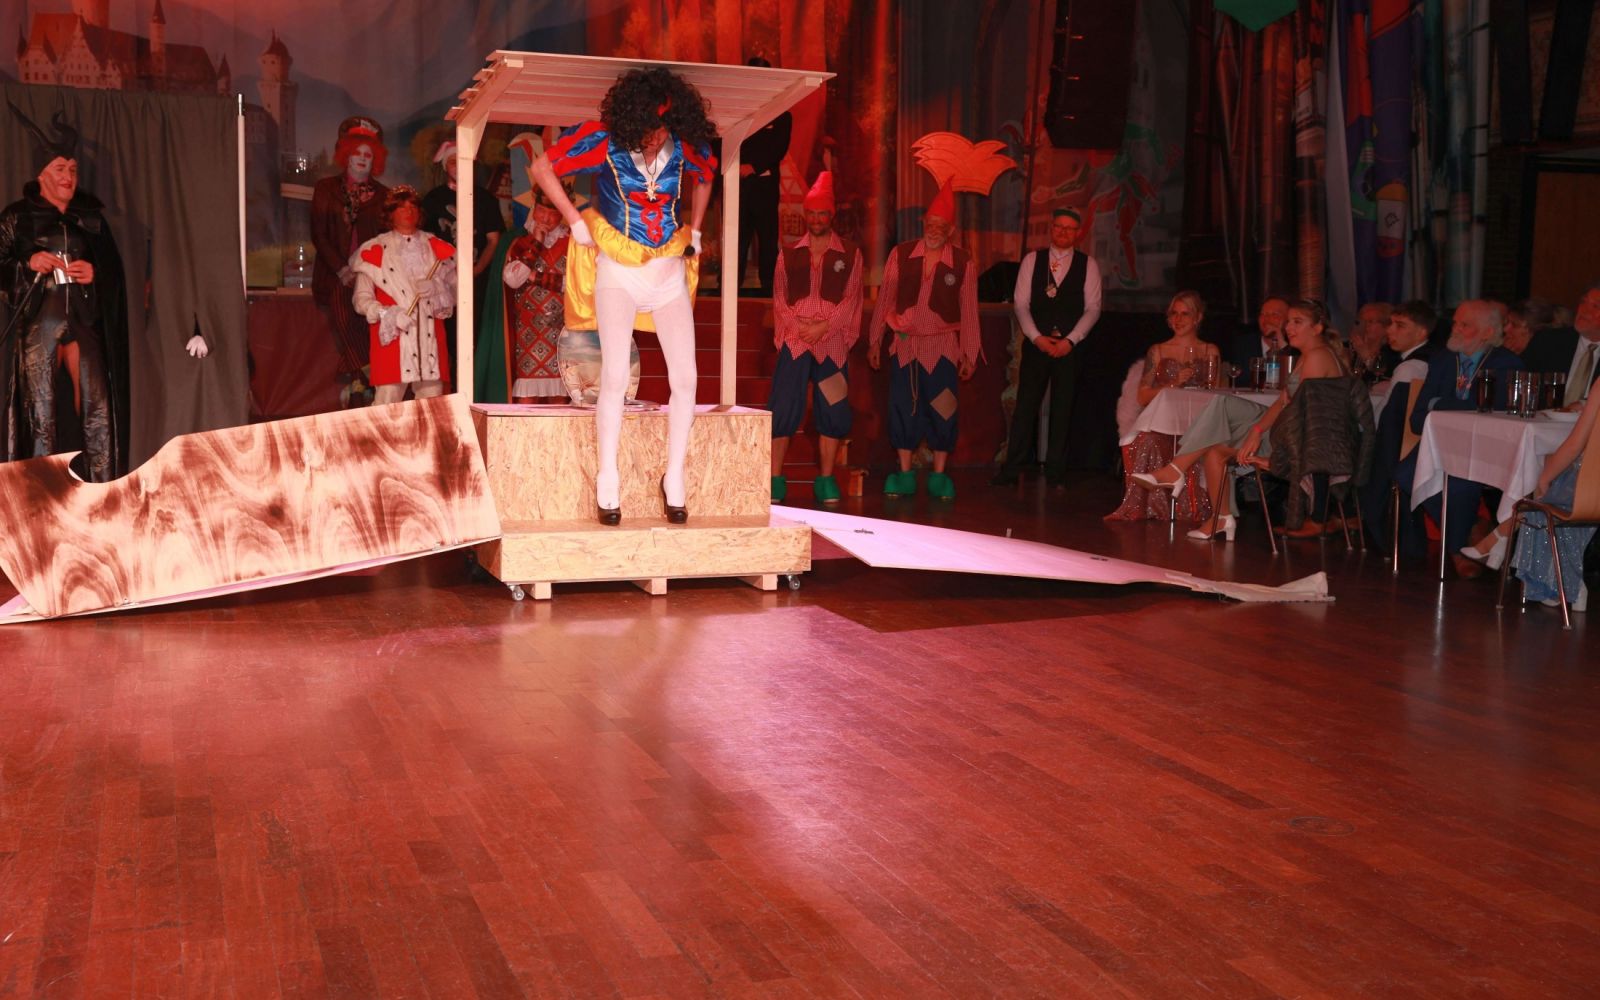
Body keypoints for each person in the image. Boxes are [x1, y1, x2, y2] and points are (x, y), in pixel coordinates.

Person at [528, 67, 717, 525]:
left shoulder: (682, 144)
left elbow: (708, 174)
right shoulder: (604, 141)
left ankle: (675, 477)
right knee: (614, 376)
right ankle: (607, 477)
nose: (656, 138)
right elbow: (541, 167)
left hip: (668, 273)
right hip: (618, 271)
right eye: (649, 129)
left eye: (663, 129)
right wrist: (574, 218)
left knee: (686, 378)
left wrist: (695, 228)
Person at [1134, 299, 1351, 541]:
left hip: (1298, 442)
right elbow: (1282, 402)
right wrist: (1256, 431)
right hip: (1288, 432)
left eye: (1297, 322)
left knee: (1221, 415)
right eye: (1288, 321)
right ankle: (1220, 517)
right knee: (1217, 437)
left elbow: (1300, 413)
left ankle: (1175, 470)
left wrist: (1261, 437)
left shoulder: (1317, 357)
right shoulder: (1310, 355)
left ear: (1317, 328)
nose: (1288, 327)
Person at [0, 103, 130, 482]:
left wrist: (95, 274)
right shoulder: (17, 218)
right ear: (42, 174)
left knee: (97, 406)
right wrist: (28, 263)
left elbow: (114, 272)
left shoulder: (91, 219)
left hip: (84, 323)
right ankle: (40, 490)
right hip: (39, 324)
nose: (68, 177)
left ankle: (101, 487)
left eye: (72, 170)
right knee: (39, 410)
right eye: (60, 169)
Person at [1393, 300, 1525, 576]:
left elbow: (1491, 410)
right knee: (1405, 475)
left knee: (1460, 483)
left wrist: (1440, 404)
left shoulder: (1506, 363)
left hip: (1485, 447)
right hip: (1440, 444)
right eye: (1455, 322)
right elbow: (1417, 419)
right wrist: (1459, 405)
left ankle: (1455, 549)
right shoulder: (1443, 360)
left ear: (1487, 333)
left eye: (1465, 325)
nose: (1455, 328)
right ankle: (1472, 526)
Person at [867, 180, 980, 500]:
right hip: (905, 345)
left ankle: (939, 476)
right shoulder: (901, 254)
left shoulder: (963, 262)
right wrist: (875, 339)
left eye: (941, 226)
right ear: (923, 224)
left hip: (942, 347)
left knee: (944, 408)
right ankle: (904, 473)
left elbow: (970, 311)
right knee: (902, 407)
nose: (934, 230)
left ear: (951, 230)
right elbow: (885, 299)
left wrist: (970, 353)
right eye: (930, 224)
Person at [768, 172, 864, 504]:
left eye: (823, 214)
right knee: (783, 408)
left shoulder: (850, 254)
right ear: (806, 214)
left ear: (831, 215)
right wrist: (799, 328)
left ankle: (825, 480)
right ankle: (775, 480)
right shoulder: (788, 253)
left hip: (832, 344)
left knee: (833, 410)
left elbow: (852, 298)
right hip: (796, 342)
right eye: (812, 213)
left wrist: (824, 327)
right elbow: (779, 297)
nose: (817, 219)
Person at [990, 207, 1103, 489]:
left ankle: (1055, 472)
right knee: (1025, 407)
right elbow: (1021, 304)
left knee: (1063, 408)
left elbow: (1093, 308)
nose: (1063, 232)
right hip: (1037, 344)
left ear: (1078, 233)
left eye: (1069, 228)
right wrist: (1036, 337)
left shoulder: (1088, 265)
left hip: (1069, 348)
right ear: (1051, 228)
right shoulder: (1032, 260)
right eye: (1058, 226)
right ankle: (1012, 470)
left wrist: (1071, 340)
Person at [1459, 384, 1598, 612]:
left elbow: (1575, 445)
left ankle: (1501, 539)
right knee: (1555, 475)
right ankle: (1501, 541)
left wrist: (1545, 477)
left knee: (1545, 481)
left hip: (1587, 496)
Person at [1105, 291, 1217, 521]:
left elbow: (1215, 394)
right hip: (1164, 422)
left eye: (1185, 314)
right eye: (1174, 313)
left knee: (1192, 443)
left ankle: (1191, 507)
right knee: (1147, 441)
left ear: (1198, 317)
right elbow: (1142, 397)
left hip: (1197, 424)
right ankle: (1149, 507)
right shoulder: (1157, 350)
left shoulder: (1209, 351)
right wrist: (1173, 384)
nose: (1178, 319)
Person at [350, 186, 456, 405]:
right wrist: (388, 314)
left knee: (432, 406)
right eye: (401, 207)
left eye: (413, 207)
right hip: (393, 343)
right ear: (390, 214)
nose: (409, 212)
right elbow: (361, 299)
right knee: (387, 405)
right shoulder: (374, 249)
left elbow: (457, 293)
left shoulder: (436, 247)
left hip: (430, 344)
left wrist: (437, 289)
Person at [311, 116, 388, 406]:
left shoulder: (384, 195)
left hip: (370, 275)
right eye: (357, 152)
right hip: (335, 274)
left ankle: (358, 381)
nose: (362, 158)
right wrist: (342, 269)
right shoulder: (326, 188)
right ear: (346, 155)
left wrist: (367, 272)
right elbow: (319, 233)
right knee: (344, 316)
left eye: (368, 154)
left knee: (364, 323)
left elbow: (385, 239)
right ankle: (369, 375)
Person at [1357, 299, 1440, 552]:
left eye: (1400, 326)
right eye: (1391, 324)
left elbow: (1390, 421)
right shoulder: (1427, 361)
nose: (1390, 330)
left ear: (1421, 332)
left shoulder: (1410, 367)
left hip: (1397, 450)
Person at [500, 190, 570, 402]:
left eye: (552, 213)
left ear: (562, 214)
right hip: (529, 332)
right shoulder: (521, 243)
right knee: (527, 399)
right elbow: (513, 280)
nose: (546, 219)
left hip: (563, 331)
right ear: (534, 209)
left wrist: (534, 276)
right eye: (541, 211)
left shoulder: (571, 244)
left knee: (560, 397)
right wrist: (537, 243)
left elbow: (576, 284)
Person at [421, 138, 504, 304]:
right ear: (445, 166)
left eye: (463, 161)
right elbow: (424, 240)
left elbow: (494, 240)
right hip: (441, 281)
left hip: (478, 281)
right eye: (453, 162)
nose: (458, 166)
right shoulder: (433, 199)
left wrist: (477, 270)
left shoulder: (486, 199)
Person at [736, 56, 790, 296]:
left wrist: (754, 166)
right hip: (737, 187)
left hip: (765, 188)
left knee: (768, 240)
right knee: (737, 240)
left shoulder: (781, 114)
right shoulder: (737, 110)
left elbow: (778, 148)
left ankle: (770, 291)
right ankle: (729, 288)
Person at [1521, 284, 1600, 408]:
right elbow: (1523, 383)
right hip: (1543, 418)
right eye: (1583, 302)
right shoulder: (1548, 342)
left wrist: (1585, 405)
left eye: (1596, 306)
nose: (1584, 310)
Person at [1225, 295, 1291, 372]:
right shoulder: (1242, 345)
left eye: (1274, 314)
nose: (1266, 319)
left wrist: (1282, 344)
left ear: (1287, 321)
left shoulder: (1294, 348)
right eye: (1263, 314)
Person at [1351, 301, 1392, 374]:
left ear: (1386, 326)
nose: (1365, 325)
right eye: (1362, 321)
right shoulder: (1352, 347)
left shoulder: (1391, 352)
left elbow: (1381, 375)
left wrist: (1367, 358)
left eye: (1370, 321)